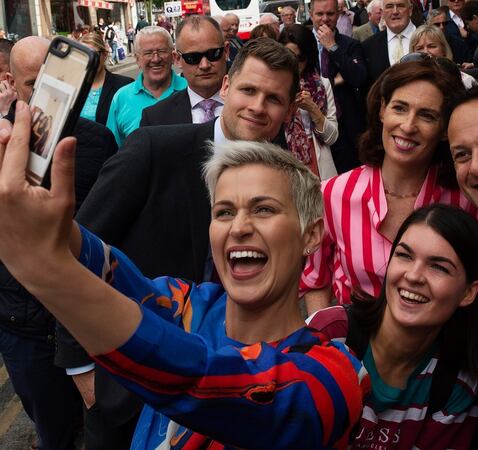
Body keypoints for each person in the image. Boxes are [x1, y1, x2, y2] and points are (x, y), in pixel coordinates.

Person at [0, 116, 363, 449]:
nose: (238, 228)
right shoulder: (190, 305)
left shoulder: (331, 377)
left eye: (263, 209)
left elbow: (194, 377)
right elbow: (110, 271)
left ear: (311, 235)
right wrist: (45, 223)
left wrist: (44, 269)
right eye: (223, 212)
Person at [56, 38, 299, 450]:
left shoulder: (286, 179)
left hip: (223, 392)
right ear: (225, 89)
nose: (258, 106)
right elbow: (74, 249)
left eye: (274, 98)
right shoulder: (154, 148)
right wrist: (81, 367)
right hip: (126, 390)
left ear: (290, 111)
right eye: (248, 90)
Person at [0, 35, 117, 450]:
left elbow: (111, 227)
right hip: (23, 326)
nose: (49, 96)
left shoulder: (98, 140)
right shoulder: (1, 145)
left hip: (85, 317)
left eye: (59, 81)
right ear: (12, 82)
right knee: (53, 432)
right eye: (36, 84)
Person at [308, 204, 478, 448]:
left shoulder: (455, 384)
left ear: (469, 293)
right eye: (404, 256)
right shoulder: (330, 334)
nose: (414, 275)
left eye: (438, 267)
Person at [300, 60, 477, 314]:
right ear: (382, 109)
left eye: (427, 115)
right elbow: (317, 279)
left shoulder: (466, 201)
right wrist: (328, 343)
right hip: (354, 346)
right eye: (400, 108)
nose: (408, 126)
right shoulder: (333, 194)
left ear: (445, 130)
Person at [309, 0, 369, 173]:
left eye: (330, 14)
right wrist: (335, 81)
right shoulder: (303, 44)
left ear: (338, 14)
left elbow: (358, 77)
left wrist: (332, 46)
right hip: (313, 126)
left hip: (346, 127)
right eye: (320, 14)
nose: (325, 19)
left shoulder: (350, 45)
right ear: (311, 15)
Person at [106, 26, 188, 146]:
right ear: (137, 59)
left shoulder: (190, 89)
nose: (156, 59)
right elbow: (112, 150)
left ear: (173, 56)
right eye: (148, 53)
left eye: (162, 51)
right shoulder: (121, 98)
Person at [140, 15, 228, 127]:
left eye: (213, 54)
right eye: (193, 58)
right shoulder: (155, 118)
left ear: (226, 51)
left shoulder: (252, 107)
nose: (204, 65)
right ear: (177, 59)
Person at [279, 24, 339, 180]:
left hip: (318, 160)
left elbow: (332, 137)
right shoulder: (272, 86)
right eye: (288, 56)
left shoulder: (322, 85)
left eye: (300, 58)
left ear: (309, 57)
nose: (294, 63)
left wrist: (312, 108)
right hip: (284, 161)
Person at [78, 32, 134, 124]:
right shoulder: (73, 87)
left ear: (104, 55)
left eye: (93, 55)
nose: (89, 60)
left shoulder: (124, 86)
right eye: (83, 55)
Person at [363, 0, 416, 84]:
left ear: (410, 10)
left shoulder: (429, 38)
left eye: (400, 6)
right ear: (382, 12)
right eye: (389, 6)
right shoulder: (368, 46)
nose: (395, 12)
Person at [409, 25, 477, 88]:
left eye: (432, 46)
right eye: (419, 48)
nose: (426, 52)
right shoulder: (407, 82)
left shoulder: (465, 80)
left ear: (444, 49)